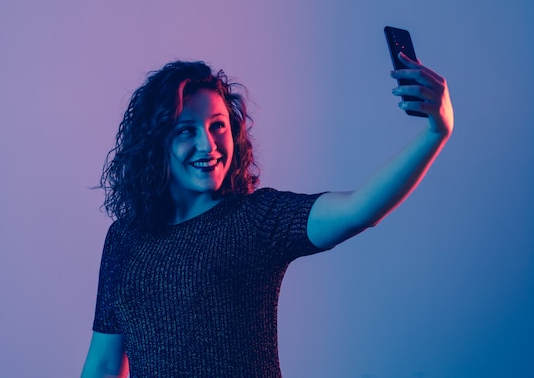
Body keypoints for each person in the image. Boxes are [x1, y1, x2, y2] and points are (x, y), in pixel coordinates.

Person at [81, 53, 454, 378]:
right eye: (185, 130)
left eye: (218, 126)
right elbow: (105, 366)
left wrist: (436, 131)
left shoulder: (257, 220)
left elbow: (361, 208)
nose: (207, 145)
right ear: (155, 143)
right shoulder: (125, 240)